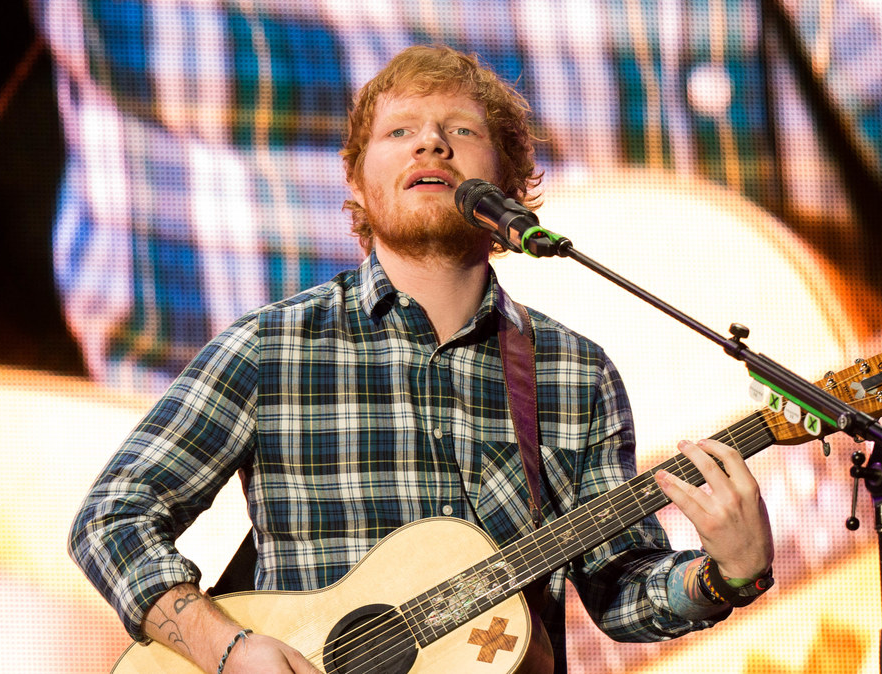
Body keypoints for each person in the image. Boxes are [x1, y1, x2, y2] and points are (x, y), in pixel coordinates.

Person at [69, 45, 774, 674]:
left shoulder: (572, 372)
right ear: (356, 183)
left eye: (461, 132)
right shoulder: (272, 347)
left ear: (511, 182)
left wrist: (724, 575)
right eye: (400, 132)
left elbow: (621, 590)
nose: (431, 144)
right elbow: (111, 519)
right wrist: (225, 648)